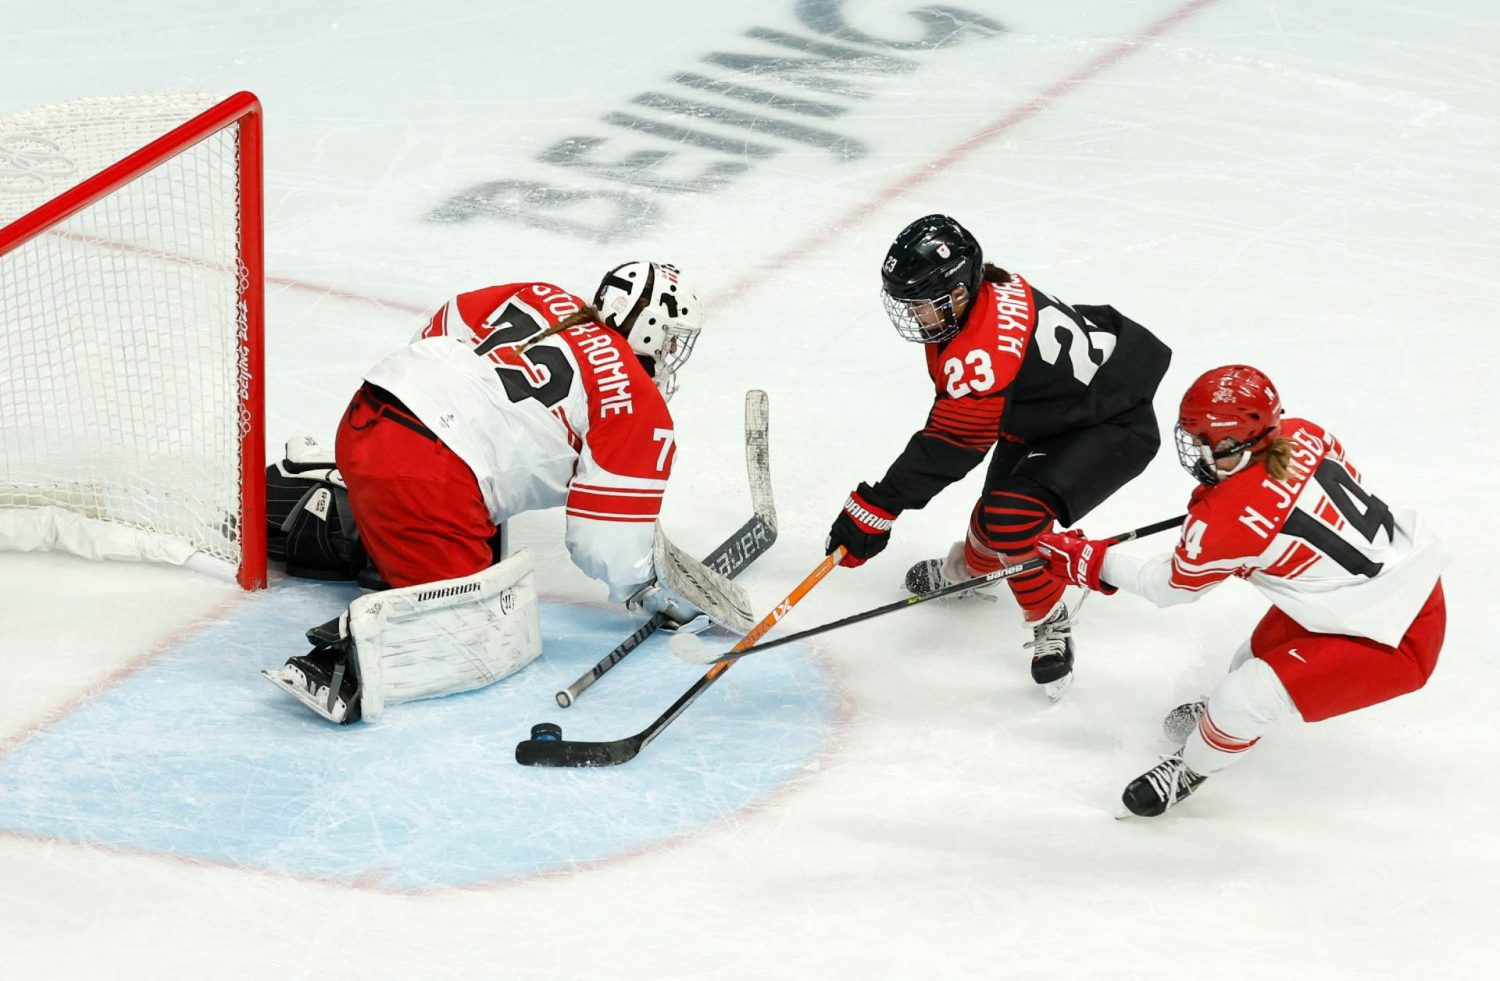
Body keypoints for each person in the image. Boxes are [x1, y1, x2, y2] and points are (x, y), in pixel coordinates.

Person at [262, 261, 746, 724]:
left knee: (474, 532)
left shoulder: (542, 294)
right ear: (651, 330)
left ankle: (318, 499)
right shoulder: (636, 402)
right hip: (428, 478)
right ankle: (342, 658)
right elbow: (604, 544)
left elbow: (436, 331)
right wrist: (662, 594)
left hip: (366, 416)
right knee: (484, 638)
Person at [1036, 365, 1447, 817]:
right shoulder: (1302, 433)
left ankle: (1190, 769)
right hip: (1375, 592)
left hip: (1392, 637)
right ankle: (1222, 725)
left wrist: (1092, 562)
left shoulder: (1226, 522)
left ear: (1237, 444)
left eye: (1206, 441)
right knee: (1248, 659)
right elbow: (1301, 490)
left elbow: (1170, 587)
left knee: (1245, 695)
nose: (1196, 452)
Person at [824, 214, 1172, 698]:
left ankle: (1050, 620)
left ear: (961, 289)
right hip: (1048, 412)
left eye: (924, 304)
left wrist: (878, 507)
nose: (916, 317)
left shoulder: (982, 350)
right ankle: (970, 570)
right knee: (993, 525)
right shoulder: (989, 287)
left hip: (1108, 423)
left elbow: (952, 445)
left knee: (1011, 518)